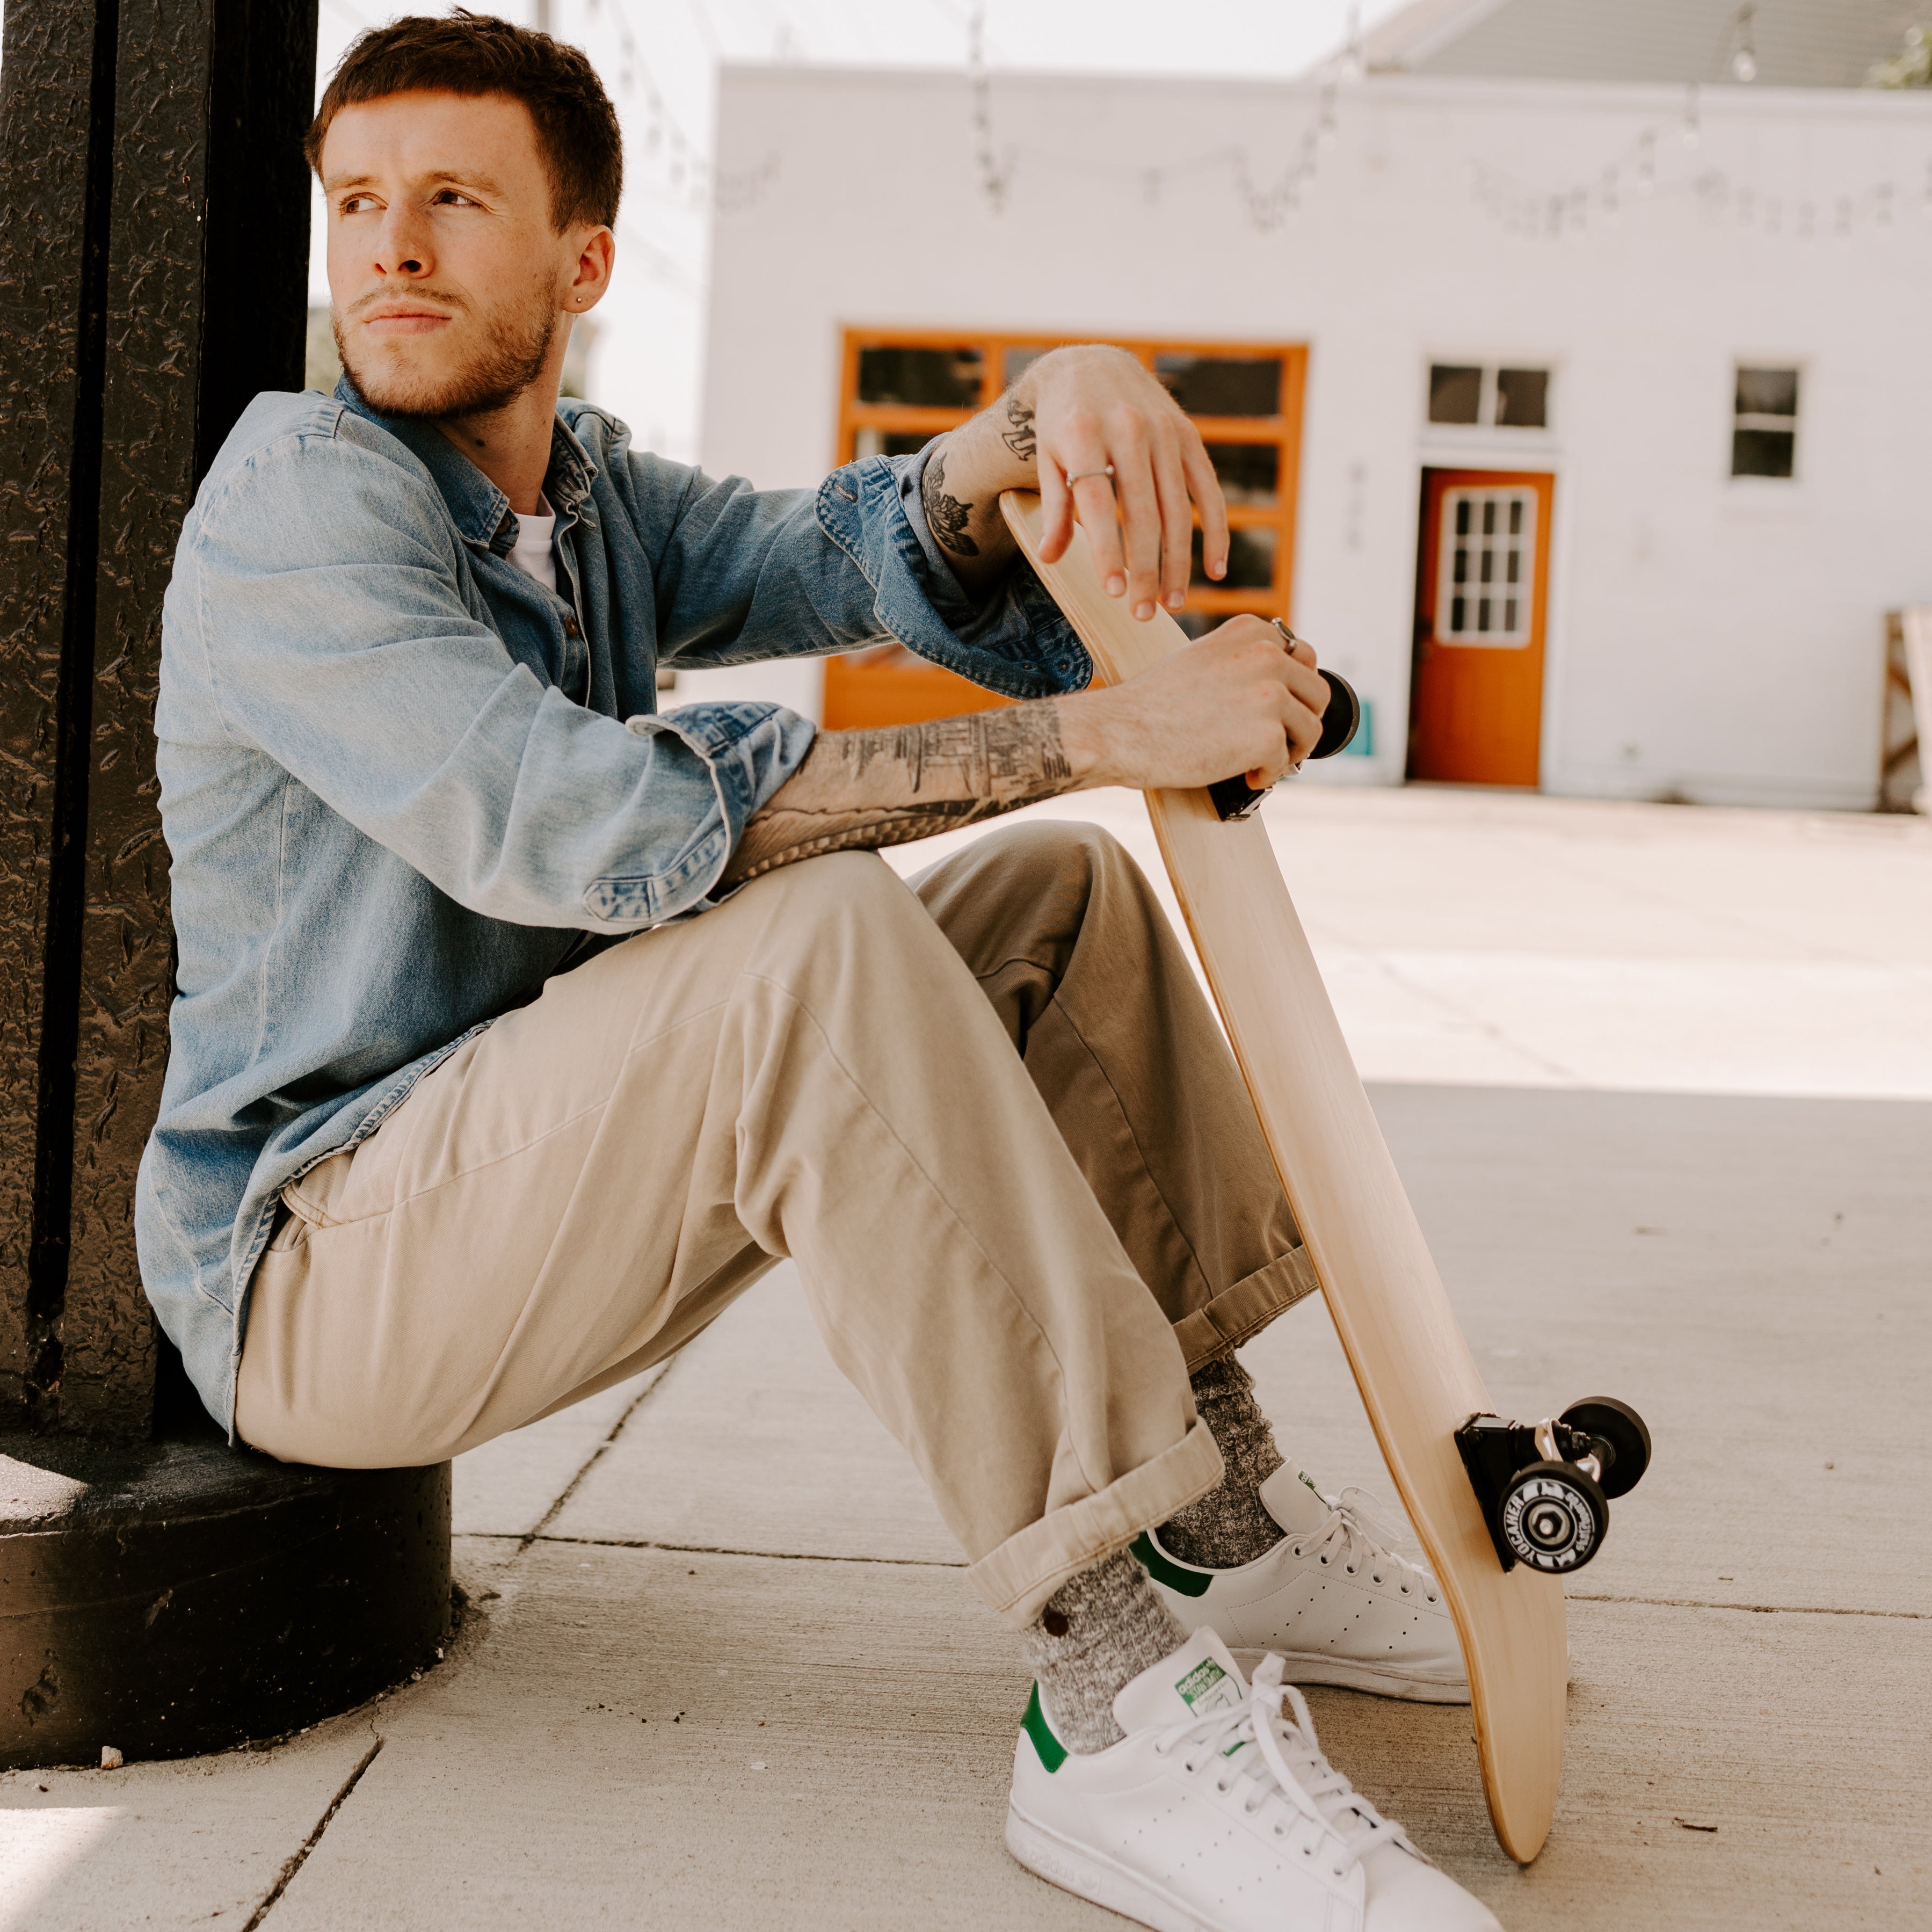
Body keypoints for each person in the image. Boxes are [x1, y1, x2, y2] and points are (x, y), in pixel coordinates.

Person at [137, 14, 1498, 1929]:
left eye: (451, 200)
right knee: (816, 940)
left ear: (582, 262)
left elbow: (839, 549)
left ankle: (1224, 1528)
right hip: (322, 1258)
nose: (390, 252)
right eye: (358, 204)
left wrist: (1037, 418)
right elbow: (586, 827)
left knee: (1054, 902)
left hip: (515, 1170)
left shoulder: (584, 496)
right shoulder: (303, 498)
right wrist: (1105, 731)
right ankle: (1116, 1710)